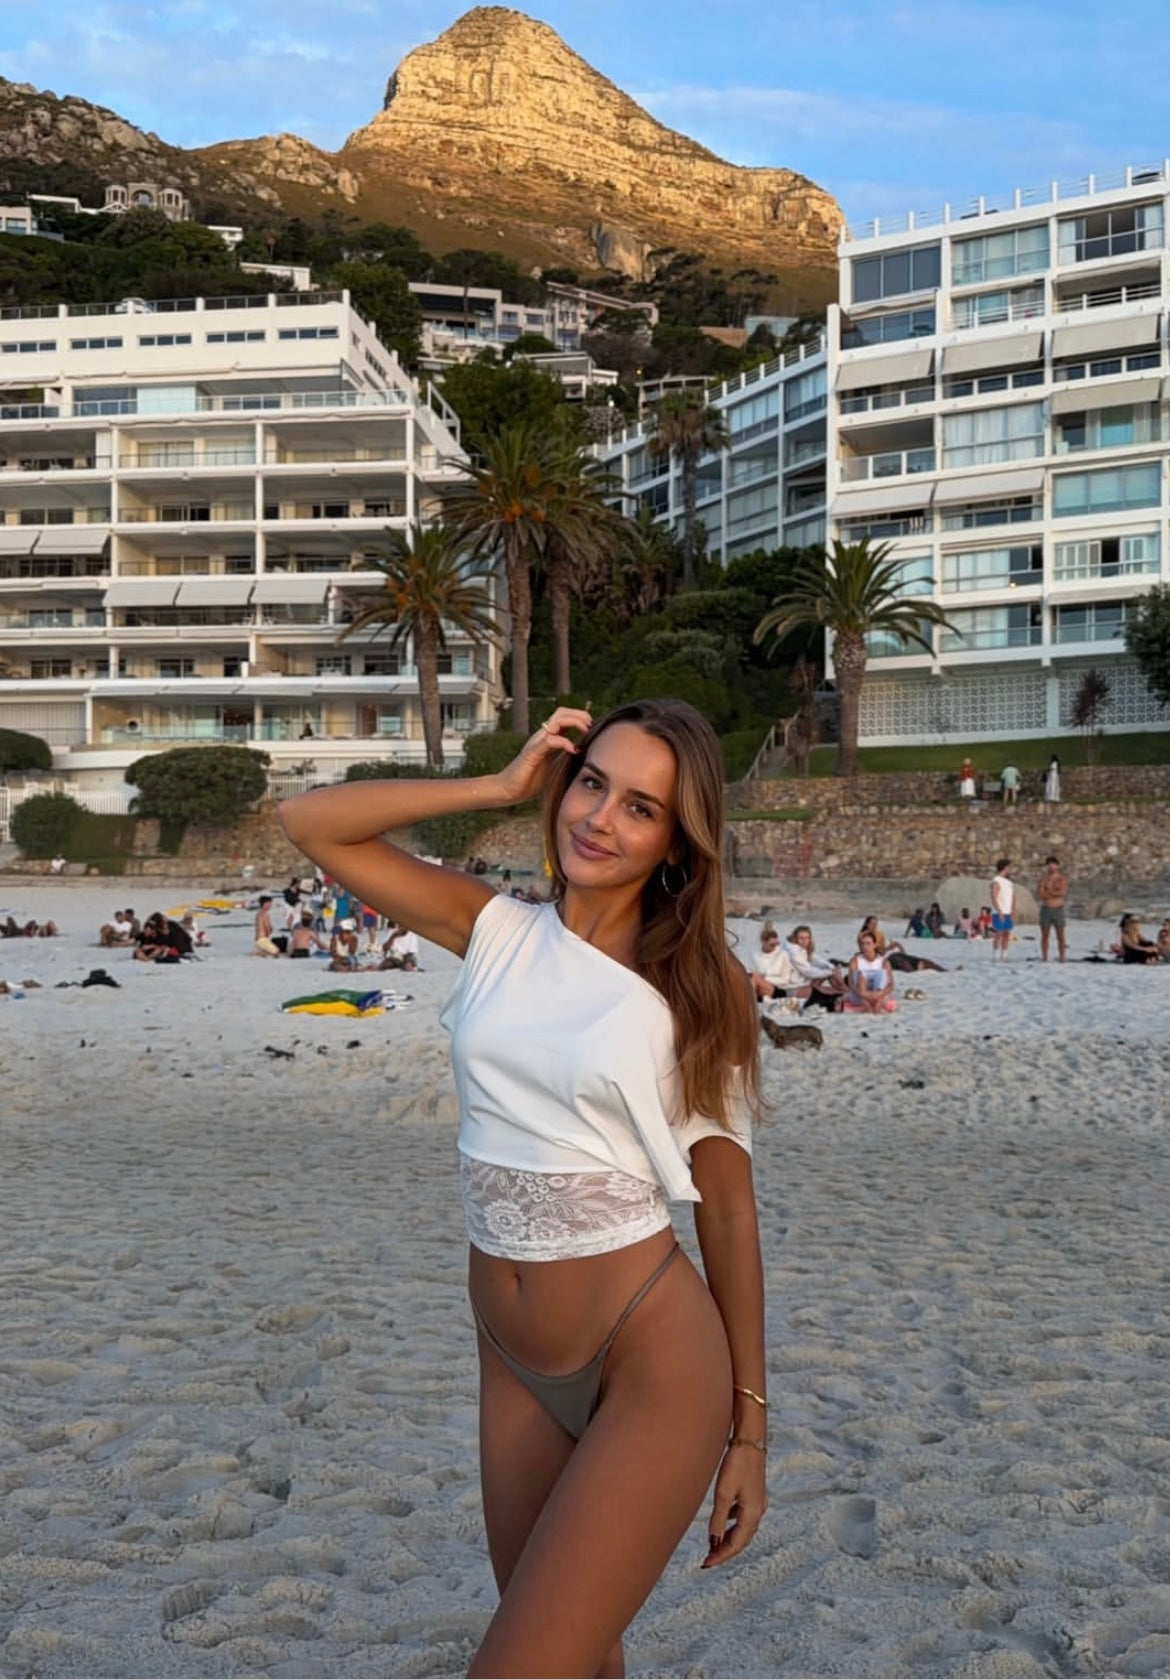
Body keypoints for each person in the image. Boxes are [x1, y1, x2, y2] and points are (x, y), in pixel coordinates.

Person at [278, 699, 767, 1676]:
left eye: (641, 807)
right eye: (592, 782)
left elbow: (728, 1208)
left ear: (678, 842)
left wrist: (749, 1429)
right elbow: (312, 820)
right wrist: (498, 786)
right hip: (511, 1359)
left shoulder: (698, 986)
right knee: (580, 1656)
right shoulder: (494, 929)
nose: (599, 817)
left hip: (652, 1361)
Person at [842, 929, 897, 1013]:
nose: (865, 947)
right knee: (861, 974)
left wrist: (879, 994)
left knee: (881, 973)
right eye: (863, 944)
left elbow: (891, 985)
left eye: (868, 944)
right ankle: (868, 1003)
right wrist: (865, 995)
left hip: (879, 994)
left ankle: (876, 1002)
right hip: (860, 995)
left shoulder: (884, 962)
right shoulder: (855, 961)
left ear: (875, 945)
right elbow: (851, 984)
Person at [784, 925, 847, 995]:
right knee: (828, 989)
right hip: (794, 988)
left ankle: (843, 988)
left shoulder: (802, 948)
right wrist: (830, 972)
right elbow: (807, 971)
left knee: (828, 969)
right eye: (801, 938)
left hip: (804, 982)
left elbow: (815, 958)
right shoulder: (793, 952)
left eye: (807, 938)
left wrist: (832, 967)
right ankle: (844, 989)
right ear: (795, 938)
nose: (804, 941)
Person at [748, 922, 803, 1000]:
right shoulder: (755, 955)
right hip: (758, 986)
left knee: (755, 978)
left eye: (777, 944)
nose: (775, 947)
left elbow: (785, 979)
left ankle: (748, 1001)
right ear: (763, 942)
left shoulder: (783, 955)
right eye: (772, 945)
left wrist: (765, 978)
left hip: (778, 989)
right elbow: (750, 973)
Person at [1036, 855, 1069, 963]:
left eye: (1053, 864)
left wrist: (1049, 892)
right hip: (1046, 908)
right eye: (1049, 865)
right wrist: (1052, 893)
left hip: (1058, 908)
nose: (1051, 867)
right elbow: (1041, 894)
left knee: (1060, 935)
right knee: (1045, 935)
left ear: (1057, 866)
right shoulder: (1044, 879)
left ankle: (1062, 956)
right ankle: (1044, 957)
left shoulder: (1061, 879)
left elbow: (1062, 893)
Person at [990, 858, 1014, 961]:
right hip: (999, 911)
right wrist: (999, 911)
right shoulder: (996, 881)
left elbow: (1012, 897)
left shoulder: (1009, 882)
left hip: (1008, 911)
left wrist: (1013, 909)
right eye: (1009, 867)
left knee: (1006, 933)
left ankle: (1004, 955)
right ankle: (995, 955)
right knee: (998, 933)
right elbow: (994, 896)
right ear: (1004, 867)